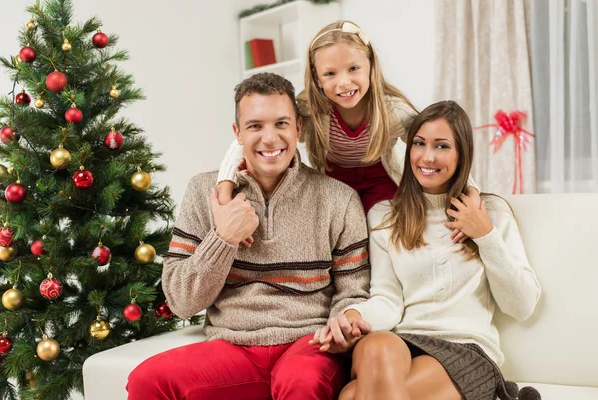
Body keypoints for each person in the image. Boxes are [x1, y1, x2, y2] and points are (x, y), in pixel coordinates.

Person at [126, 72, 371, 400]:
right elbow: (182, 303)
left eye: (281, 124)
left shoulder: (338, 198)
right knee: (148, 380)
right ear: (237, 133)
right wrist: (223, 237)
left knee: (302, 383)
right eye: (255, 126)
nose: (270, 139)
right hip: (232, 348)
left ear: (298, 128)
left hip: (308, 345)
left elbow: (353, 292)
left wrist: (344, 325)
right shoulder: (204, 191)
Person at [311, 101, 542, 400]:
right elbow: (387, 299)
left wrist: (485, 235)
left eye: (442, 146)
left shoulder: (491, 212)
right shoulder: (384, 216)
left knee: (353, 395)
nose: (427, 156)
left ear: (462, 155)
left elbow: (522, 305)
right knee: (376, 345)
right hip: (402, 344)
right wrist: (353, 314)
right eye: (419, 143)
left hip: (466, 350)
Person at [216, 20, 480, 249]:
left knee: (383, 228)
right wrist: (225, 189)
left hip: (380, 179)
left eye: (353, 68)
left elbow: (437, 141)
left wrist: (473, 193)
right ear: (318, 79)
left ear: (370, 66)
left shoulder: (391, 110)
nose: (344, 82)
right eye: (330, 73)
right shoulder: (310, 110)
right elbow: (246, 141)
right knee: (329, 233)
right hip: (332, 181)